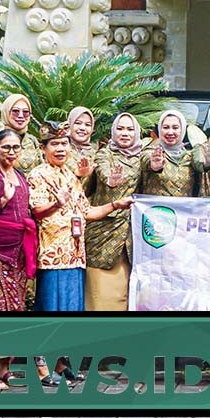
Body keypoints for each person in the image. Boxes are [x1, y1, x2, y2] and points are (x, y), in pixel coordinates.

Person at [28, 121, 135, 312]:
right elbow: (37, 211)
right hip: (53, 258)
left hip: (75, 255)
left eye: (64, 143)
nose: (60, 148)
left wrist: (114, 205)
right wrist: (56, 204)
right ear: (43, 148)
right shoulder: (38, 174)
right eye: (54, 144)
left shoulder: (70, 176)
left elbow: (87, 212)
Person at [86, 113, 145, 311]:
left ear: (136, 133)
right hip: (103, 233)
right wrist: (111, 180)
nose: (125, 133)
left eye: (130, 129)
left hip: (130, 237)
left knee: (127, 293)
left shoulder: (143, 157)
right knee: (99, 295)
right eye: (120, 128)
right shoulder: (104, 153)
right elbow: (103, 171)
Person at [0, 129, 35, 312]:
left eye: (15, 148)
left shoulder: (21, 176)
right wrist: (2, 202)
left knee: (17, 304)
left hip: (19, 253)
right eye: (6, 148)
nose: (11, 152)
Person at [143, 110, 198, 197]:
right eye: (166, 127)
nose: (170, 132)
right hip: (157, 209)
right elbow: (146, 160)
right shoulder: (152, 152)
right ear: (160, 130)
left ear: (182, 130)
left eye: (175, 128)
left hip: (183, 209)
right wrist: (154, 166)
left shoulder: (190, 156)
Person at [0, 94, 41, 170]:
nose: (21, 115)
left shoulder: (32, 140)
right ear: (6, 112)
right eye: (15, 111)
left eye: (25, 112)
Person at [67, 106, 97, 193]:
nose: (82, 128)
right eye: (78, 123)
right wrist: (77, 172)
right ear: (69, 124)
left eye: (88, 125)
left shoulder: (95, 152)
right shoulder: (61, 148)